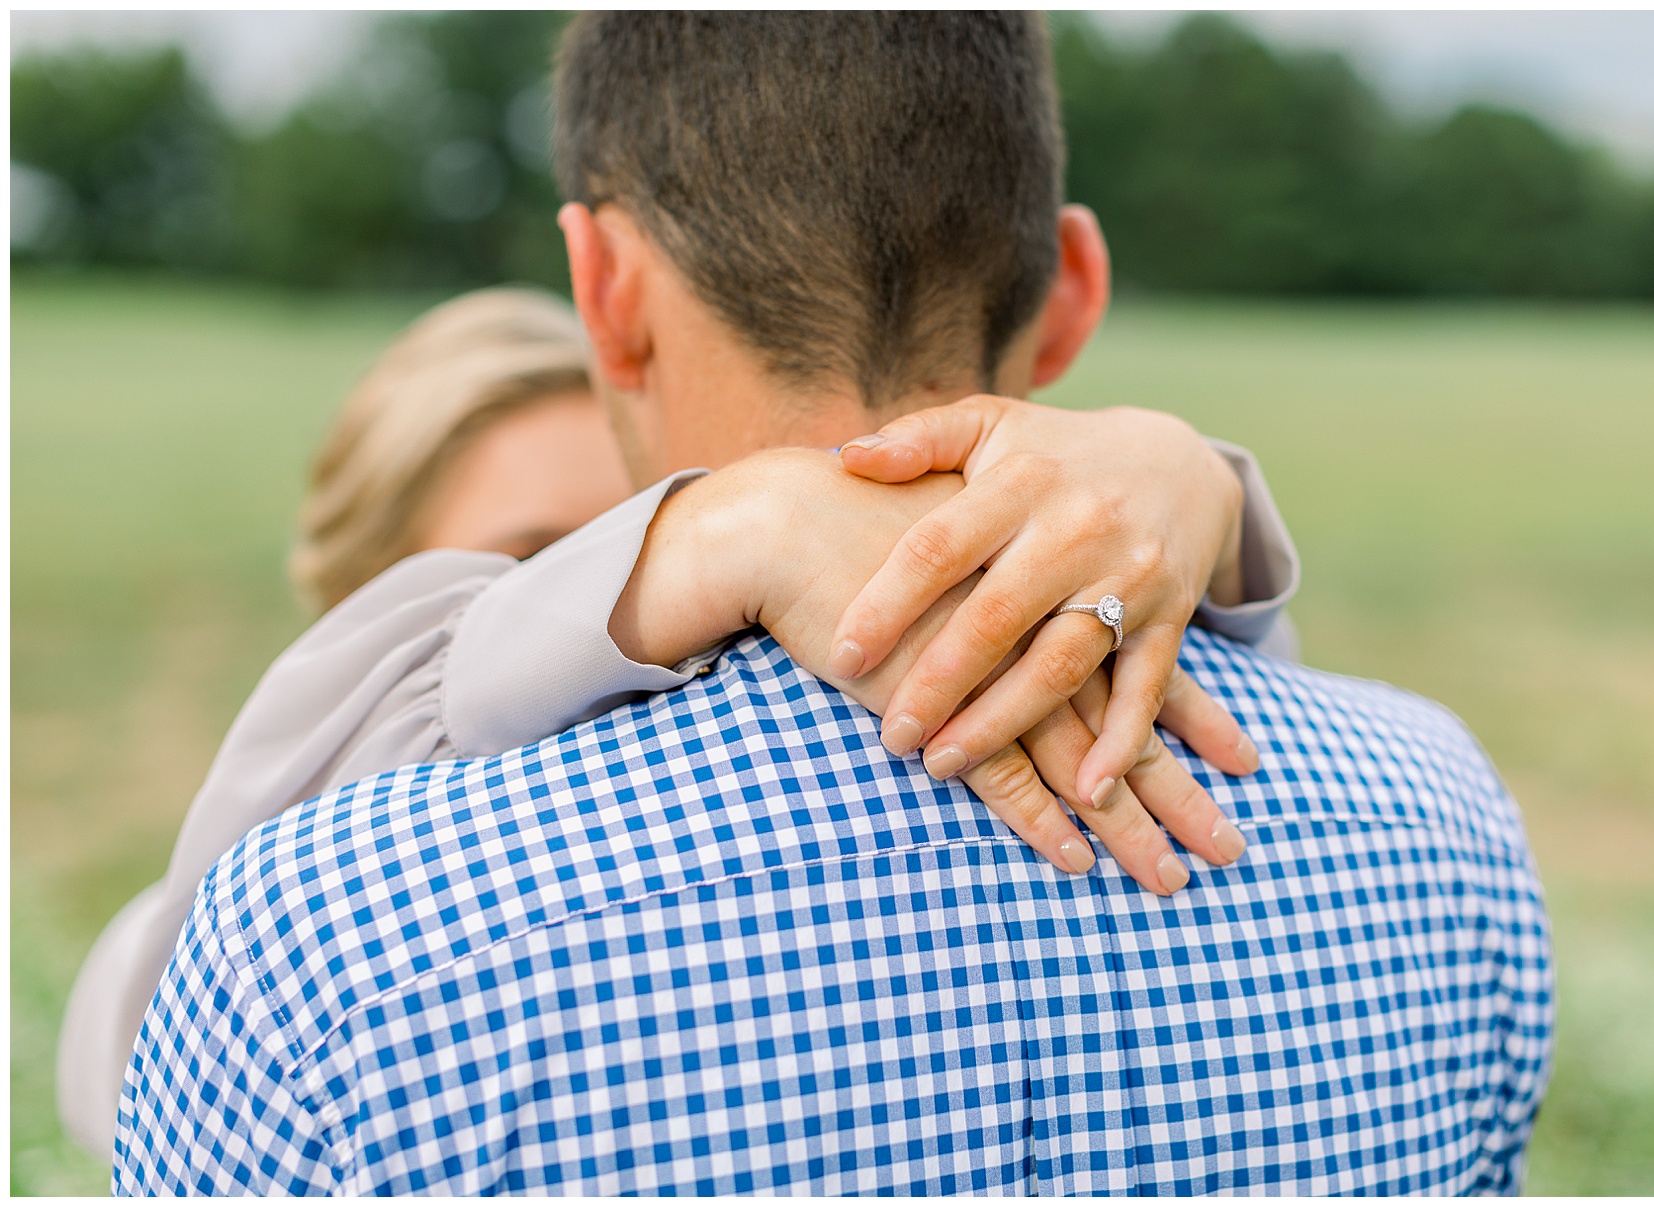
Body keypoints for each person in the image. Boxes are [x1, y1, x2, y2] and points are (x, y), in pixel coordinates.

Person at [114, 12, 1551, 1194]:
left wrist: (690, 535)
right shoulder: (1443, 816)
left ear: (603, 287)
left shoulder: (344, 939)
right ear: (1071, 292)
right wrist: (1207, 489)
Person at [60, 253, 1299, 1150]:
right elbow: (150, 1026)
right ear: (373, 608)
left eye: (651, 529)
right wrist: (726, 527)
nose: (649, 624)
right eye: (560, 566)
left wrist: (1191, 488)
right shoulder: (286, 909)